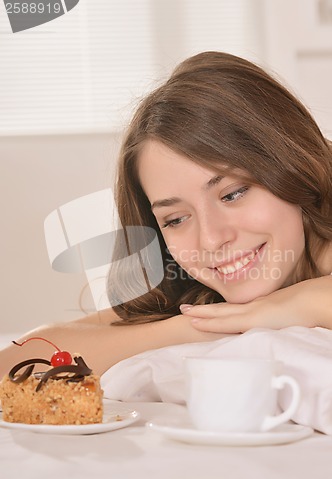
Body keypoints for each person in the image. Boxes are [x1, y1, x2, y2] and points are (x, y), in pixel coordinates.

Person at [1, 51, 331, 377]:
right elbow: (16, 362)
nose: (211, 240)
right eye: (175, 219)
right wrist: (196, 326)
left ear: (296, 163)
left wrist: (294, 305)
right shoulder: (191, 288)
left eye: (232, 194)